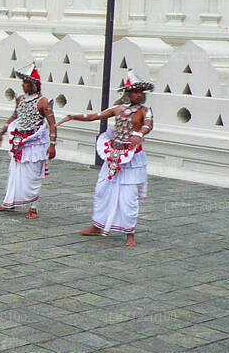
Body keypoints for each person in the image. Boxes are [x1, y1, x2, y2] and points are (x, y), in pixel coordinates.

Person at [57, 72, 155, 247]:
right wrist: (73, 117)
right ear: (127, 93)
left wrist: (139, 134)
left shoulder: (145, 111)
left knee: (128, 197)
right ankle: (97, 225)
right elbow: (94, 116)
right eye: (136, 91)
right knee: (102, 190)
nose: (139, 95)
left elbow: (148, 125)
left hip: (131, 158)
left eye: (141, 92)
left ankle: (129, 233)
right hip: (114, 155)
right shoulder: (117, 109)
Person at [0, 64, 57, 218]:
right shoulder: (20, 99)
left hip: (35, 142)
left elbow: (52, 124)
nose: (23, 85)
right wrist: (3, 130)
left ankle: (33, 207)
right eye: (23, 82)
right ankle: (10, 201)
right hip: (19, 141)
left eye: (26, 83)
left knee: (33, 175)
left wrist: (52, 145)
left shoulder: (43, 102)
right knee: (15, 173)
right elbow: (15, 116)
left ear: (34, 84)